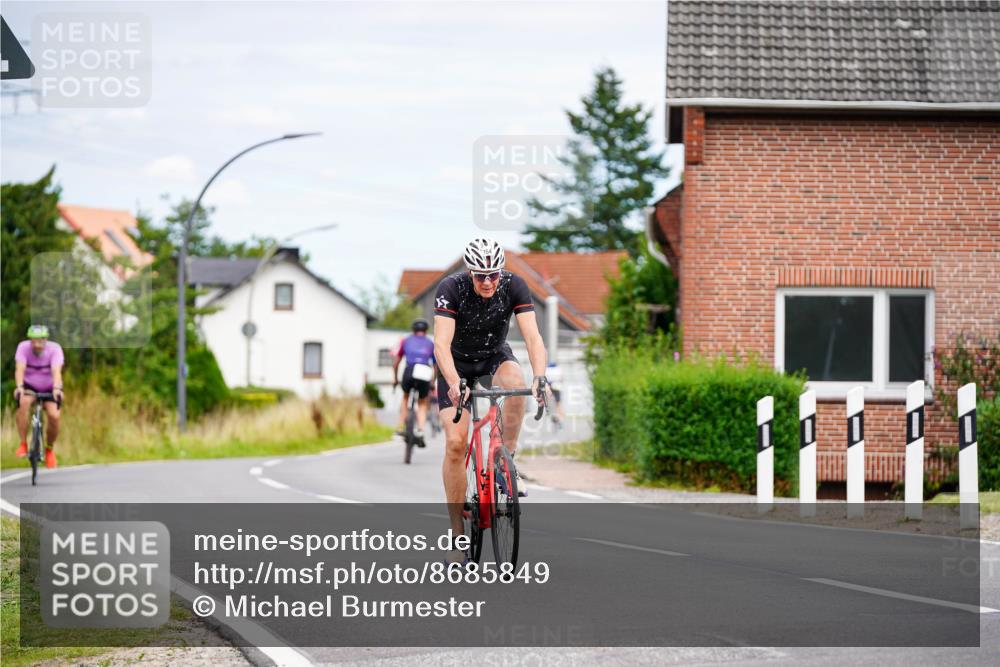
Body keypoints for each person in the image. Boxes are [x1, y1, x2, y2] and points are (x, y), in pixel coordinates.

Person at [434, 237, 548, 563]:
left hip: (493, 356)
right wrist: (454, 384)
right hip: (455, 364)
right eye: (480, 275)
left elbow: (533, 337)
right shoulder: (451, 288)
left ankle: (505, 461)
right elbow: (440, 344)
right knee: (456, 443)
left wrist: (540, 377)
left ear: (501, 272)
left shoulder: (514, 285)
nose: (487, 282)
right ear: (470, 272)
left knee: (517, 384)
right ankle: (457, 535)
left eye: (493, 275)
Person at [13, 325, 64, 468]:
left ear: (46, 339)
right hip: (29, 386)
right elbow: (19, 369)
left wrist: (56, 389)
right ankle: (23, 444)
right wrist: (19, 387)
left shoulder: (55, 349)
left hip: (50, 387)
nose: (36, 344)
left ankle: (49, 450)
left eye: (40, 341)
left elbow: (56, 371)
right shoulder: (23, 347)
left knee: (54, 416)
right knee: (23, 403)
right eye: (33, 341)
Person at [393, 318, 436, 445]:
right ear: (426, 331)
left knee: (405, 397)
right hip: (424, 371)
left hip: (410, 370)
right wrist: (432, 382)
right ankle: (420, 430)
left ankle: (400, 427)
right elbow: (435, 366)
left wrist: (395, 379)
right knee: (422, 402)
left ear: (413, 330)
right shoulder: (430, 343)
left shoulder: (405, 341)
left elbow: (396, 364)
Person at [546, 360, 566, 427]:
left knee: (549, 402)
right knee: (558, 404)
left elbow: (546, 379)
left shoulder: (547, 369)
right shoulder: (558, 369)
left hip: (550, 387)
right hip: (557, 387)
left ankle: (554, 416)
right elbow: (562, 379)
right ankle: (560, 419)